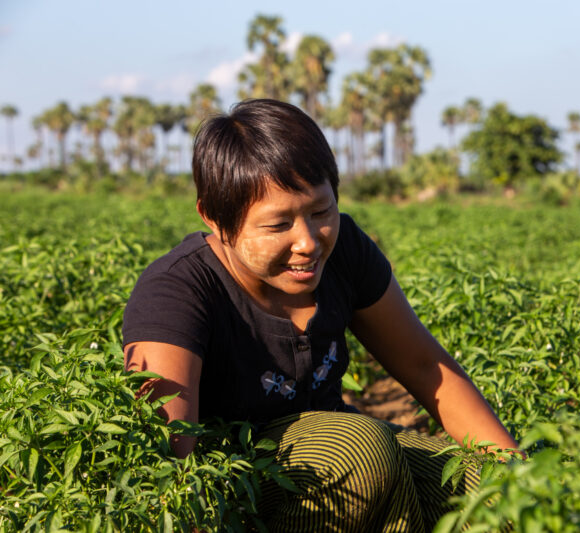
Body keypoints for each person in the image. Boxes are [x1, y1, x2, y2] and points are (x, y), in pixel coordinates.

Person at [122, 98, 518, 531]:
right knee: (359, 452)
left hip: (346, 451)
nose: (308, 241)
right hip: (238, 486)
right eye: (278, 226)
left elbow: (426, 367)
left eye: (320, 211)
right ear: (215, 218)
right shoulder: (176, 291)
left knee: (497, 492)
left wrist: (523, 479)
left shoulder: (345, 249)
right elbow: (171, 466)